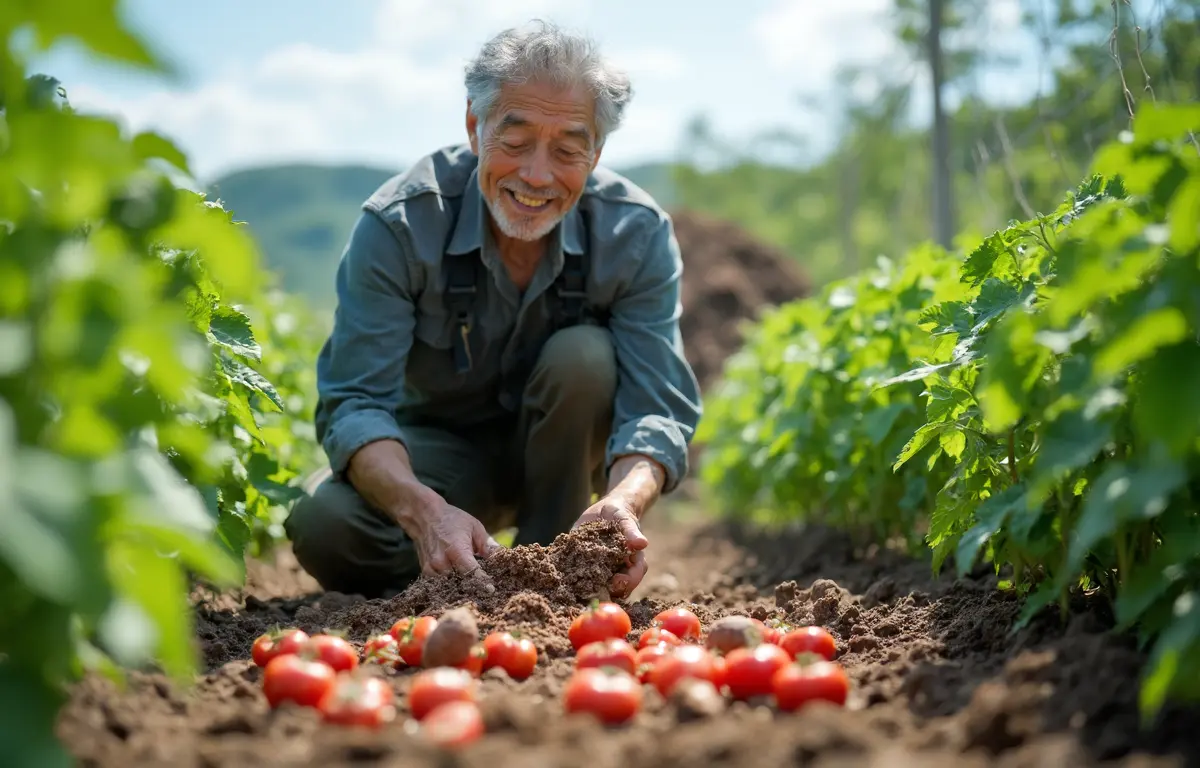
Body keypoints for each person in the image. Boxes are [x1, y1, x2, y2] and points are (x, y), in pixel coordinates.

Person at [283, 20, 702, 601]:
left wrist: (624, 501)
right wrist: (426, 513)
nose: (537, 175)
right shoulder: (401, 225)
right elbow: (356, 404)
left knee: (584, 356)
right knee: (326, 525)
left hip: (565, 464)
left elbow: (655, 407)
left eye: (567, 150)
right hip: (445, 464)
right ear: (474, 126)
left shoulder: (634, 232)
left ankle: (558, 571)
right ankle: (461, 572)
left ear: (596, 153)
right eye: (516, 140)